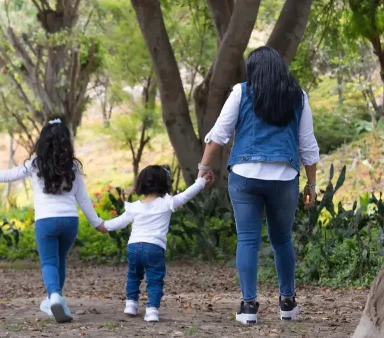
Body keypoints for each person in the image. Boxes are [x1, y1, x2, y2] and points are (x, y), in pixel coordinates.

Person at [198, 46, 319, 324]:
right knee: (282, 240)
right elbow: (308, 145)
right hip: (284, 177)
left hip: (245, 175)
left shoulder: (241, 92)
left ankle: (249, 307)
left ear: (253, 70)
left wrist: (204, 167)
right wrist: (311, 184)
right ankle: (287, 303)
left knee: (248, 241)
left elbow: (220, 134)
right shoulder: (298, 96)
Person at [0, 118, 104, 323]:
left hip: (46, 221)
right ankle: (55, 299)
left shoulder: (34, 165)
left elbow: (8, 176)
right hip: (69, 221)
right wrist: (97, 222)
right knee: (59, 260)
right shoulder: (72, 166)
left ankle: (54, 296)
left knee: (49, 262)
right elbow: (83, 198)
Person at [97, 165, 208, 322]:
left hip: (134, 247)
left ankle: (131, 304)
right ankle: (152, 310)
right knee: (155, 279)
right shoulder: (166, 203)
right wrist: (201, 181)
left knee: (133, 275)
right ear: (164, 184)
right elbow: (186, 195)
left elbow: (119, 222)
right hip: (154, 248)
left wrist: (104, 226)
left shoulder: (134, 207)